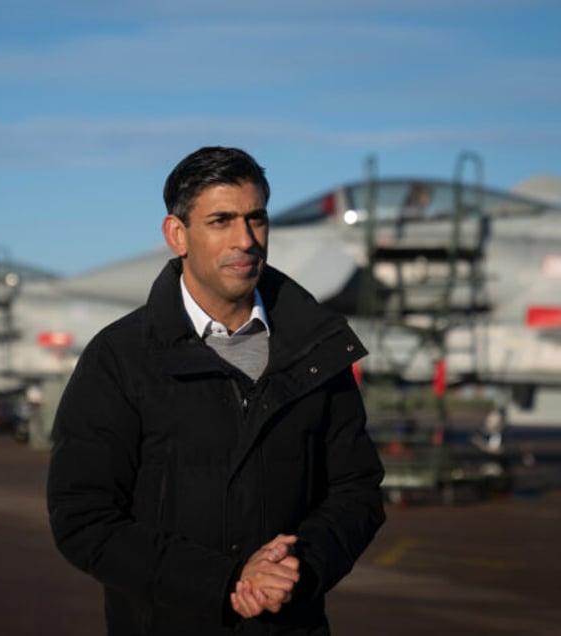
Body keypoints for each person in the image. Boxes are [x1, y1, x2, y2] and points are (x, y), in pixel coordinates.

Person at [47, 146, 385, 635]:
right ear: (177, 235)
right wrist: (223, 583)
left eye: (256, 219)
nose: (245, 240)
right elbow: (84, 518)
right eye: (221, 221)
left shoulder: (318, 349)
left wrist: (298, 568)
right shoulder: (119, 358)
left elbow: (356, 490)